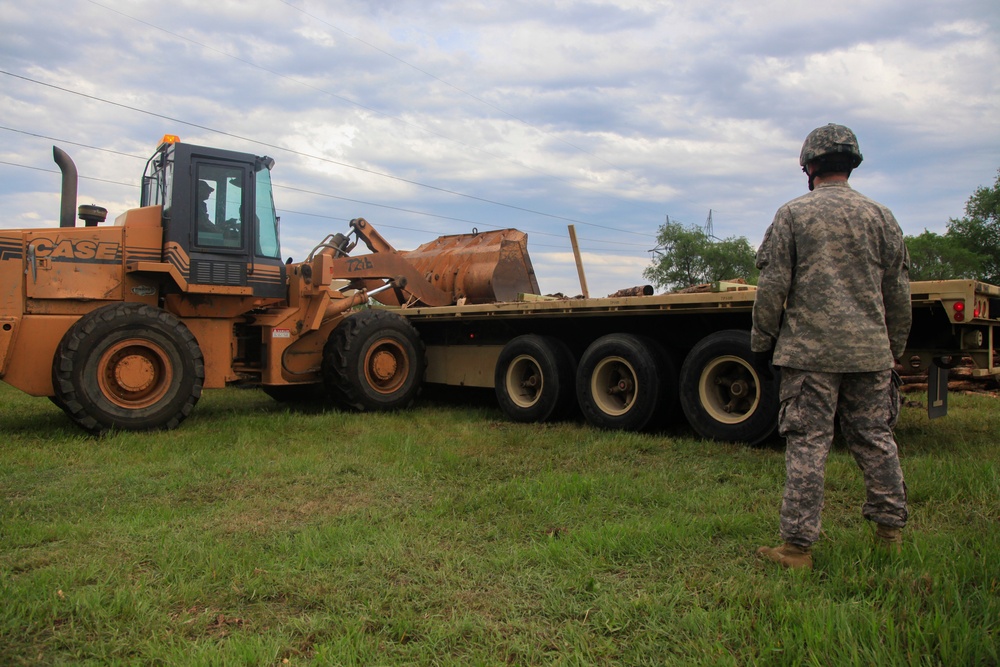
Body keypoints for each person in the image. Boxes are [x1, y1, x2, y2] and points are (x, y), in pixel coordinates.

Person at [751, 123, 912, 570]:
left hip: (809, 355)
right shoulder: (882, 217)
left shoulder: (793, 215)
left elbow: (773, 286)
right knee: (876, 439)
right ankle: (889, 534)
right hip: (870, 353)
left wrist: (762, 342)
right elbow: (898, 292)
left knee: (808, 445)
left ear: (810, 165)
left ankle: (797, 549)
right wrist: (893, 345)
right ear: (851, 164)